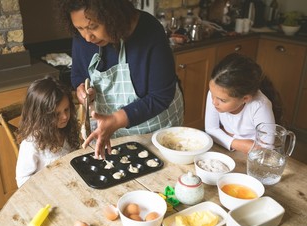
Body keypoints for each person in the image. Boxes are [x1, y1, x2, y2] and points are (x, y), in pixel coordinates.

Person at [59, 0, 184, 159]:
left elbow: (161, 96)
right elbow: (78, 74)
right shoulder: (83, 37)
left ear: (113, 15)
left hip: (155, 128)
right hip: (109, 128)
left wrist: (116, 119)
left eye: (93, 27)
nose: (87, 37)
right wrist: (82, 89)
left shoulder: (149, 31)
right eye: (79, 28)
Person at [205, 53, 283, 153]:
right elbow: (211, 130)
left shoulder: (260, 106)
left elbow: (264, 148)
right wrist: (240, 144)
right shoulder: (216, 93)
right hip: (232, 151)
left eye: (222, 100)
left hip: (255, 159)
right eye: (212, 94)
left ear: (245, 99)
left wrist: (226, 135)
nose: (214, 102)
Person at [15, 76, 80, 187]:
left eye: (66, 109)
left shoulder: (67, 129)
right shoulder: (31, 143)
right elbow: (22, 180)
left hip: (70, 184)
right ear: (42, 116)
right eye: (56, 114)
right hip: (48, 193)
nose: (65, 117)